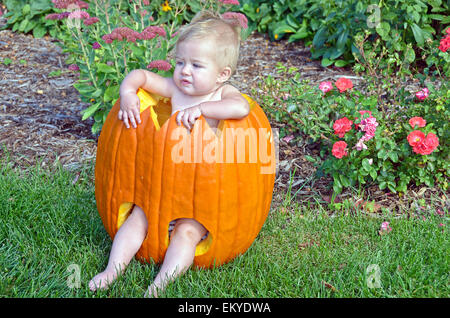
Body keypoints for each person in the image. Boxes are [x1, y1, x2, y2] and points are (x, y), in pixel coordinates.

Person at [89, 10, 249, 297]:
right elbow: (139, 76)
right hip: (161, 190)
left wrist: (201, 109)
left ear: (222, 74)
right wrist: (127, 93)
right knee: (136, 219)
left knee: (187, 234)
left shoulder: (222, 95)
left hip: (201, 199)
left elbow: (242, 109)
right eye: (180, 62)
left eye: (196, 65)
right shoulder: (175, 89)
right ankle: (112, 269)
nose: (184, 71)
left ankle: (159, 285)